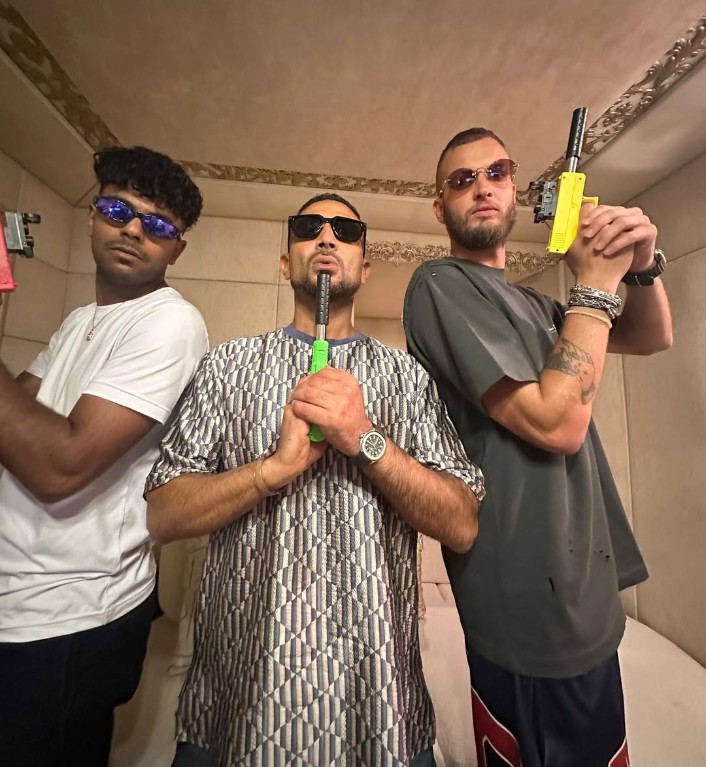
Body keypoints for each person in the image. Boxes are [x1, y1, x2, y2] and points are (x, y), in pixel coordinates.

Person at [145, 192, 485, 767]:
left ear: (365, 268)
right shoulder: (227, 368)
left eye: (346, 232)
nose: (327, 237)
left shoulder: (407, 378)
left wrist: (365, 440)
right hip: (238, 706)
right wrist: (271, 471)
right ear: (286, 262)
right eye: (309, 228)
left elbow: (462, 523)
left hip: (382, 709)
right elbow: (163, 512)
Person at [403, 127, 673, 766]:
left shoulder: (536, 304)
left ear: (516, 189)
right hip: (527, 604)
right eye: (462, 180)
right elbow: (557, 423)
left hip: (584, 594)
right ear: (440, 207)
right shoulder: (439, 285)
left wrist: (641, 264)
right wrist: (595, 282)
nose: (482, 188)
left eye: (496, 172)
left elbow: (653, 335)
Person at [0, 145, 209, 767]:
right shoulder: (78, 321)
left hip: (69, 614)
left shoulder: (170, 323)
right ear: (93, 216)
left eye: (159, 225)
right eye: (119, 210)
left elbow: (58, 464)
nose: (135, 230)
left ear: (177, 250)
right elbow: (20, 416)